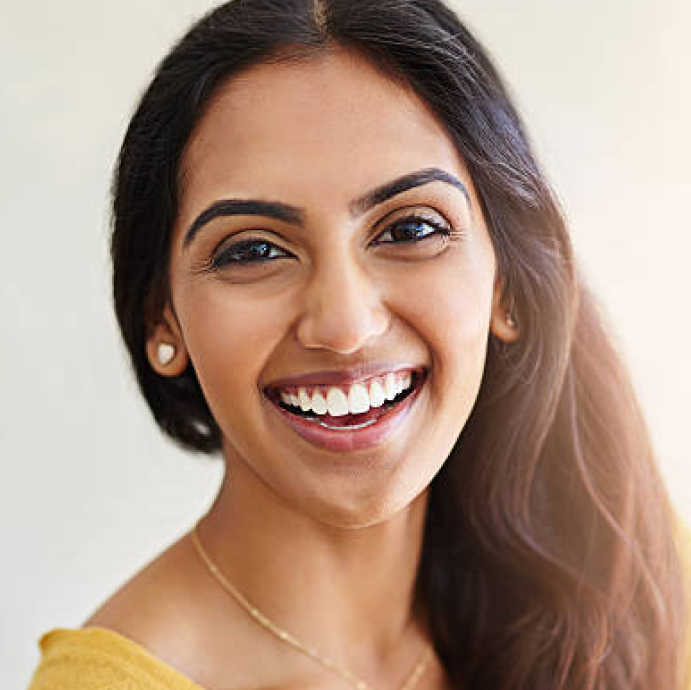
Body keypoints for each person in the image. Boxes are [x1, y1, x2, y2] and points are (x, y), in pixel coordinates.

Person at [27, 0, 689, 688]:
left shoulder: (625, 567)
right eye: (254, 249)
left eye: (409, 229)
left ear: (507, 285)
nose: (344, 326)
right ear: (160, 319)